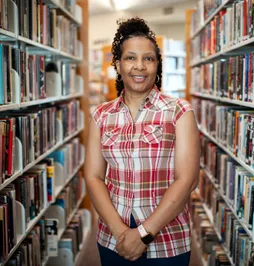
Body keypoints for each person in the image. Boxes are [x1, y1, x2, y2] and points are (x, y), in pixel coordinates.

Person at [84, 17, 200, 266]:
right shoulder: (101, 115)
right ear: (118, 64)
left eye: (148, 58)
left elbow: (187, 180)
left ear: (157, 65)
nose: (140, 66)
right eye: (130, 58)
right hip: (114, 238)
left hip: (167, 240)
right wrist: (121, 233)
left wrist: (143, 234)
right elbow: (93, 176)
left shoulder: (179, 111)